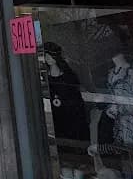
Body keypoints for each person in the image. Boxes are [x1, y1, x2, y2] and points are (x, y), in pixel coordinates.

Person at [42, 42, 91, 176]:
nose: (47, 58)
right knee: (65, 159)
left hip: (74, 122)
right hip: (59, 123)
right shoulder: (45, 77)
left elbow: (78, 98)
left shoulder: (69, 75)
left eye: (49, 55)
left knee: (77, 158)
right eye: (46, 55)